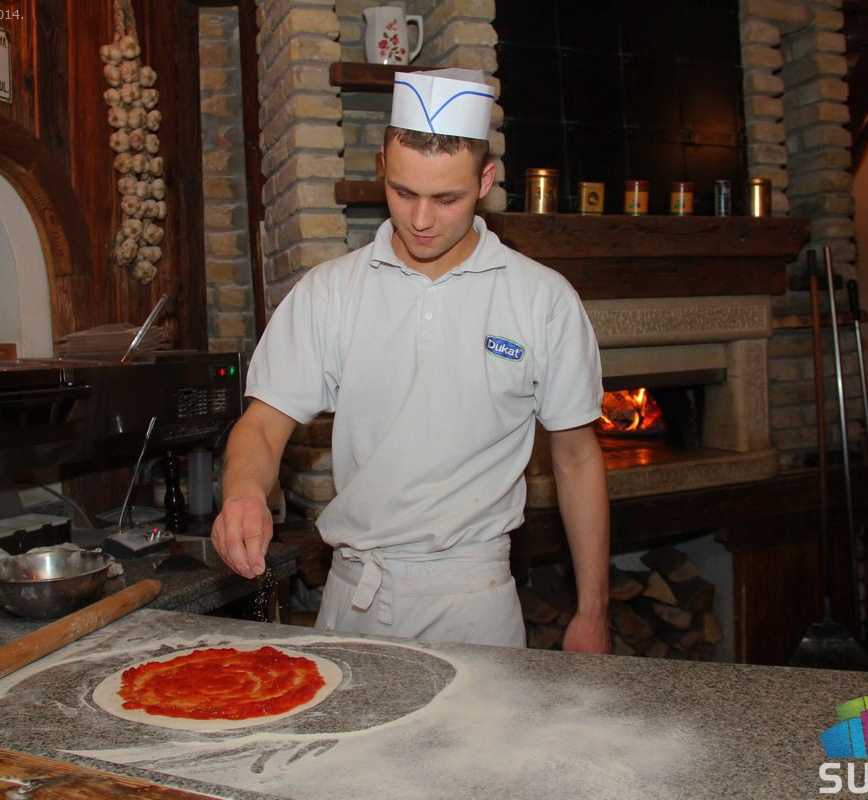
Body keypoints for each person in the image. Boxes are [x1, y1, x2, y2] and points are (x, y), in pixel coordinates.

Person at [212, 68, 610, 653]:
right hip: (353, 595)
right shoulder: (331, 292)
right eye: (403, 192)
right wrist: (243, 492)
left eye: (446, 198)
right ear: (382, 168)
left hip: (475, 599)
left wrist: (592, 611)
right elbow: (264, 425)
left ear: (485, 182)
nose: (421, 220)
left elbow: (576, 459)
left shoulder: (541, 299)